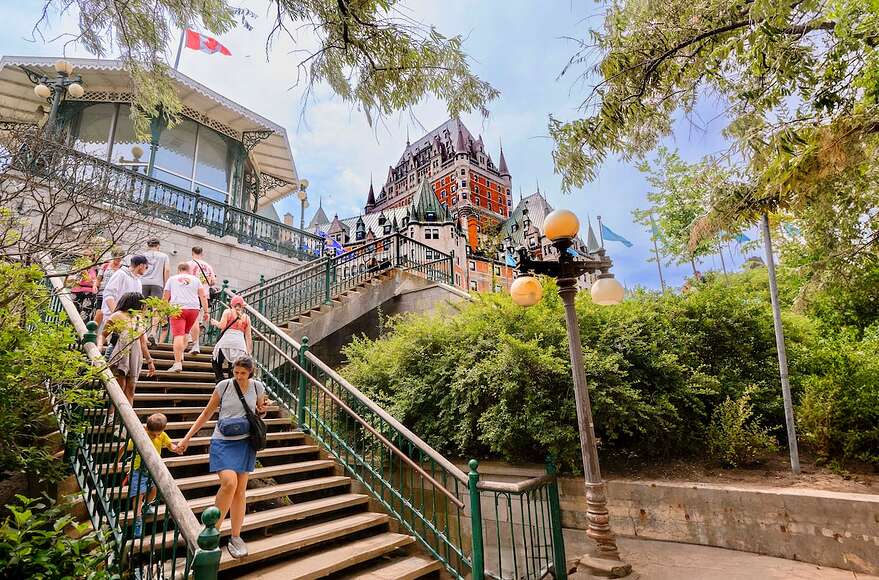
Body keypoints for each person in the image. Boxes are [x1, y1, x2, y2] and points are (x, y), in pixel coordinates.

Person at [176, 356, 269, 559]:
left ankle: (235, 536)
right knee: (229, 483)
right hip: (222, 441)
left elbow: (259, 412)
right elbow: (206, 413)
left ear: (250, 372)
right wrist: (187, 438)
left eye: (242, 373)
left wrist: (263, 411)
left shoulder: (258, 387)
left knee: (240, 491)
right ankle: (212, 532)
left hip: (245, 442)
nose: (238, 376)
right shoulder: (224, 386)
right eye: (236, 372)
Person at [121, 413, 178, 539]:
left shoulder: (162, 435)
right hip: (138, 470)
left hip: (154, 469)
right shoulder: (140, 436)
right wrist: (117, 461)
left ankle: (146, 506)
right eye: (153, 434)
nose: (156, 436)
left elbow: (169, 445)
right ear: (147, 429)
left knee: (154, 491)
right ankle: (138, 520)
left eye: (158, 433)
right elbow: (124, 447)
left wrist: (176, 448)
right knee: (138, 496)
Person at [102, 291, 155, 404]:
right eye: (142, 304)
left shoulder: (138, 319)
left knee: (131, 388)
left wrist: (149, 361)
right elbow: (103, 334)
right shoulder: (117, 315)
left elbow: (142, 343)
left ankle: (126, 419)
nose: (144, 307)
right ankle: (112, 417)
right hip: (119, 353)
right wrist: (98, 347)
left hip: (135, 356)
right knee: (120, 386)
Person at [163, 262, 209, 372]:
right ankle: (181, 353)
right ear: (189, 270)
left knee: (178, 335)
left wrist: (163, 311)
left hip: (177, 308)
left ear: (178, 270)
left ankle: (177, 363)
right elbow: (203, 296)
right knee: (186, 333)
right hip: (193, 309)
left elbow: (165, 297)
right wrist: (206, 311)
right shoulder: (196, 280)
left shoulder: (172, 279)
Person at [99, 255, 148, 346]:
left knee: (124, 346)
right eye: (146, 267)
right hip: (115, 315)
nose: (146, 270)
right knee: (114, 344)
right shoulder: (120, 274)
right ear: (141, 265)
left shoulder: (138, 281)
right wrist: (116, 314)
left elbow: (139, 302)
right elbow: (109, 295)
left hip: (129, 320)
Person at [210, 295, 253, 382]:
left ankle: (220, 379)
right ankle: (232, 383)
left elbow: (222, 325)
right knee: (234, 366)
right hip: (240, 344)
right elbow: (248, 336)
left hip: (226, 341)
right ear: (242, 305)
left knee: (216, 361)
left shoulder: (227, 312)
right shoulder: (247, 318)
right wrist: (249, 352)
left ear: (231, 304)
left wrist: (215, 323)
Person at [140, 238, 170, 346]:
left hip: (143, 283)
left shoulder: (142, 256)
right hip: (157, 284)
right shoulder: (163, 256)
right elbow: (166, 270)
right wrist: (166, 285)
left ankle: (141, 332)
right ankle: (152, 332)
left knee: (142, 309)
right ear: (158, 246)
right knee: (156, 309)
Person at [94, 249, 125, 328]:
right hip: (102, 292)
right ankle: (93, 330)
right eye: (117, 258)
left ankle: (105, 335)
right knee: (99, 312)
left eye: (120, 258)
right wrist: (95, 286)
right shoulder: (105, 266)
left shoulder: (122, 268)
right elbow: (99, 278)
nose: (118, 260)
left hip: (114, 294)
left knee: (112, 314)